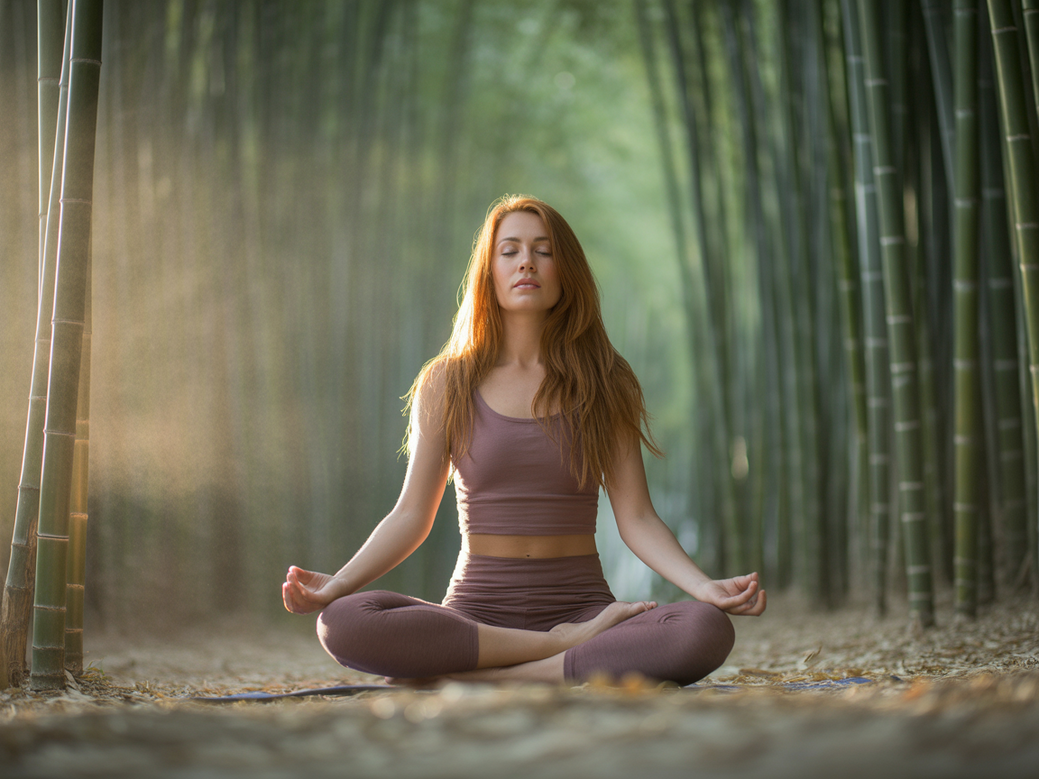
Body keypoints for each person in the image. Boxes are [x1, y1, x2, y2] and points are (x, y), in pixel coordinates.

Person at [282, 195, 766, 686]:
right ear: (488, 271)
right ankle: (555, 656)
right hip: (475, 613)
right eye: (509, 250)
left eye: (543, 250)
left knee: (703, 628)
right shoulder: (447, 382)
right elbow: (411, 515)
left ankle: (491, 676)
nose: (526, 263)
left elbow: (637, 517)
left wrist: (704, 587)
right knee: (343, 620)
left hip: (584, 610)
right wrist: (338, 584)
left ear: (565, 270)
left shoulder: (605, 380)